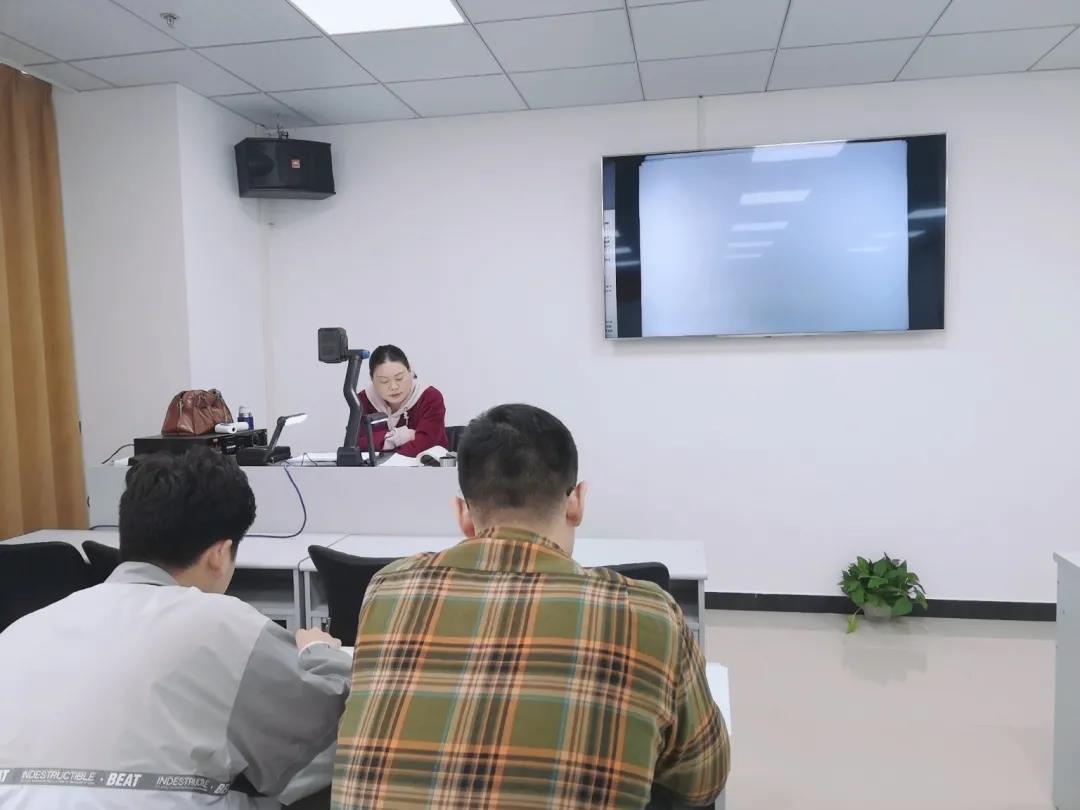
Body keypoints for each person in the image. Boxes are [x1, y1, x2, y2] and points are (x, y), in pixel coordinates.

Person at [334, 404, 730, 809]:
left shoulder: (388, 588)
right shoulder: (648, 612)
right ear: (576, 503)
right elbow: (703, 781)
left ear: (463, 515)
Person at [0, 449, 350, 809]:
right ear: (219, 555)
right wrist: (320, 652)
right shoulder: (223, 625)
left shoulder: (21, 631)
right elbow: (340, 718)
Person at [357, 344, 447, 458]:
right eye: (384, 381)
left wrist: (382, 443)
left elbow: (426, 444)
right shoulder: (363, 400)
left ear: (409, 371)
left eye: (399, 378)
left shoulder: (429, 397)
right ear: (372, 379)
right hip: (377, 469)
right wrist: (403, 436)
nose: (394, 387)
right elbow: (357, 443)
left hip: (426, 466)